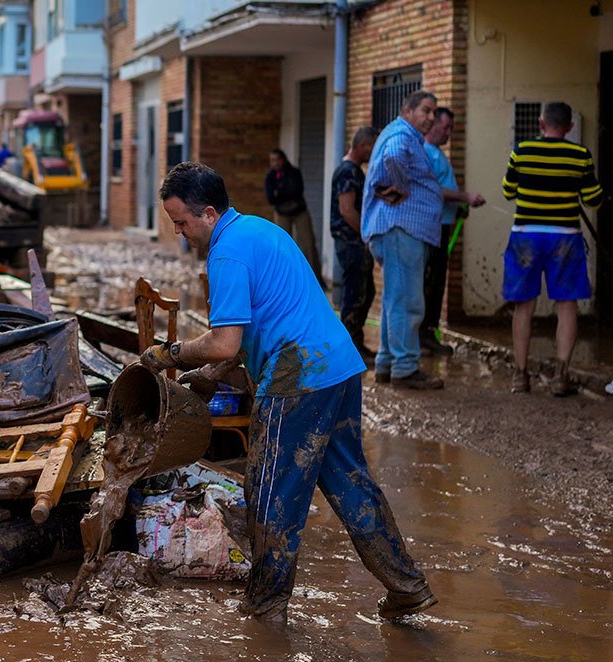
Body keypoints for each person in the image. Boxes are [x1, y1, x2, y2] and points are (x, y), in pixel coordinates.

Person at [142, 161, 435, 622]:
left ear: (209, 213)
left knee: (271, 495)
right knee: (350, 482)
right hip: (338, 366)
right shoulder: (261, 230)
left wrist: (171, 354)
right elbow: (257, 325)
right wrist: (213, 375)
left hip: (297, 378)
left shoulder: (226, 255)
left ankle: (265, 607)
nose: (180, 233)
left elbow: (225, 340)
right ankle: (407, 587)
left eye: (181, 222)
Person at [501, 101, 603, 396]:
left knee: (524, 306)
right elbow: (593, 200)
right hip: (565, 238)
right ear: (570, 127)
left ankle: (520, 376)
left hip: (525, 237)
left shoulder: (521, 151)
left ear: (541, 123)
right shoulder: (579, 155)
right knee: (566, 305)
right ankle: (561, 376)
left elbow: (508, 191)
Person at [361, 90, 445, 390]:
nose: (431, 117)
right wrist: (400, 186)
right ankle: (405, 368)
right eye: (426, 110)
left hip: (397, 231)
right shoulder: (402, 135)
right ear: (408, 110)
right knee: (408, 302)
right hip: (400, 230)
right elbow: (393, 157)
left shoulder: (402, 133)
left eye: (434, 112)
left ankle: (387, 364)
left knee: (395, 300)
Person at [422, 108, 486, 355]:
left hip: (443, 224)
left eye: (451, 129)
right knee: (431, 282)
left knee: (437, 282)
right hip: (432, 229)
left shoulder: (437, 154)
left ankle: (428, 333)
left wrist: (458, 207)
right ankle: (424, 336)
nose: (449, 133)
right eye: (445, 127)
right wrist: (464, 197)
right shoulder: (426, 153)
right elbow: (433, 189)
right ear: (433, 125)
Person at [330, 126, 379, 361]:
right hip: (351, 243)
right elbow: (347, 210)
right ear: (363, 146)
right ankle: (349, 351)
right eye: (372, 147)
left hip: (354, 242)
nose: (374, 153)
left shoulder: (354, 171)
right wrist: (366, 233)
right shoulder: (347, 172)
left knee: (366, 292)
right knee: (355, 295)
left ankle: (355, 344)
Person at [265, 149, 320, 281]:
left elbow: (296, 191)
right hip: (281, 213)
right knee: (281, 245)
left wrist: (280, 192)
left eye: (277, 159)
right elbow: (271, 198)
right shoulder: (271, 177)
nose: (275, 163)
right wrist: (283, 194)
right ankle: (285, 278)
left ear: (283, 159)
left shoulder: (293, 172)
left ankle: (313, 277)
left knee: (307, 244)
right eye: (272, 160)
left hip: (299, 211)